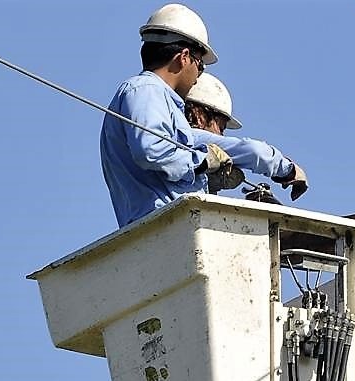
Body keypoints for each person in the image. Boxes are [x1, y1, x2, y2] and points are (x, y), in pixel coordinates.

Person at [100, 4, 233, 227]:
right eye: (200, 65)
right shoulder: (146, 91)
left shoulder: (153, 97)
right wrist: (201, 162)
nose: (198, 77)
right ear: (184, 57)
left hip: (163, 225)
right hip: (162, 226)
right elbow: (151, 152)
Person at [184, 73, 309, 200]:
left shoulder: (179, 146)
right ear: (199, 115)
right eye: (221, 128)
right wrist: (289, 171)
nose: (220, 135)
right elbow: (256, 152)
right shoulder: (193, 138)